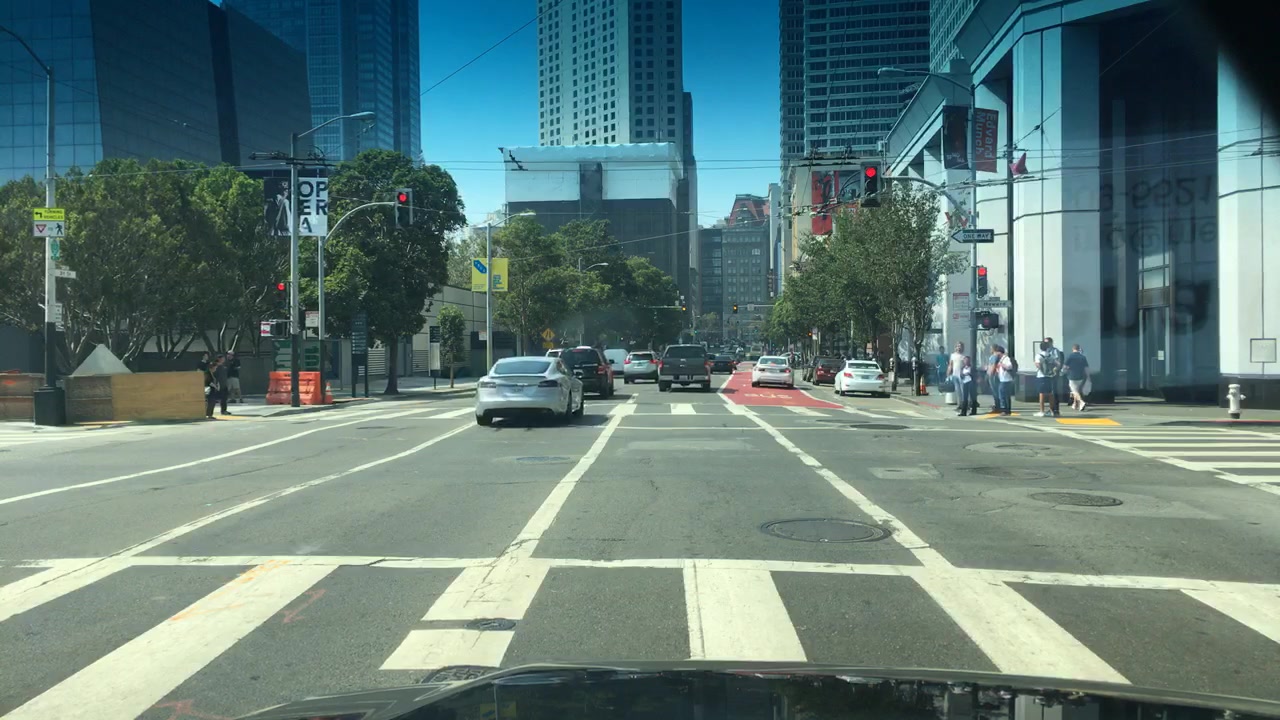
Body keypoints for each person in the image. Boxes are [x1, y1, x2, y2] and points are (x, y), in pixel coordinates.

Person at [1034, 337, 1063, 417]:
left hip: (1041, 376)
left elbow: (1038, 365)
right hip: (1050, 376)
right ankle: (1051, 410)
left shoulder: (1039, 355)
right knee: (1050, 393)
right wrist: (1054, 370)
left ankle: (1042, 411)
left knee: (1041, 394)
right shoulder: (1050, 355)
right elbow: (1058, 364)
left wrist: (1038, 366)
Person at [1064, 343, 1091, 411]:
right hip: (1080, 376)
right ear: (1079, 348)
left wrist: (1066, 369)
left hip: (1072, 376)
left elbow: (1065, 366)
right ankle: (1075, 405)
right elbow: (1086, 368)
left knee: (1074, 391)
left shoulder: (1069, 356)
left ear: (1073, 349)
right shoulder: (1083, 357)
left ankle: (1081, 402)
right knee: (1077, 391)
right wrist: (1088, 376)